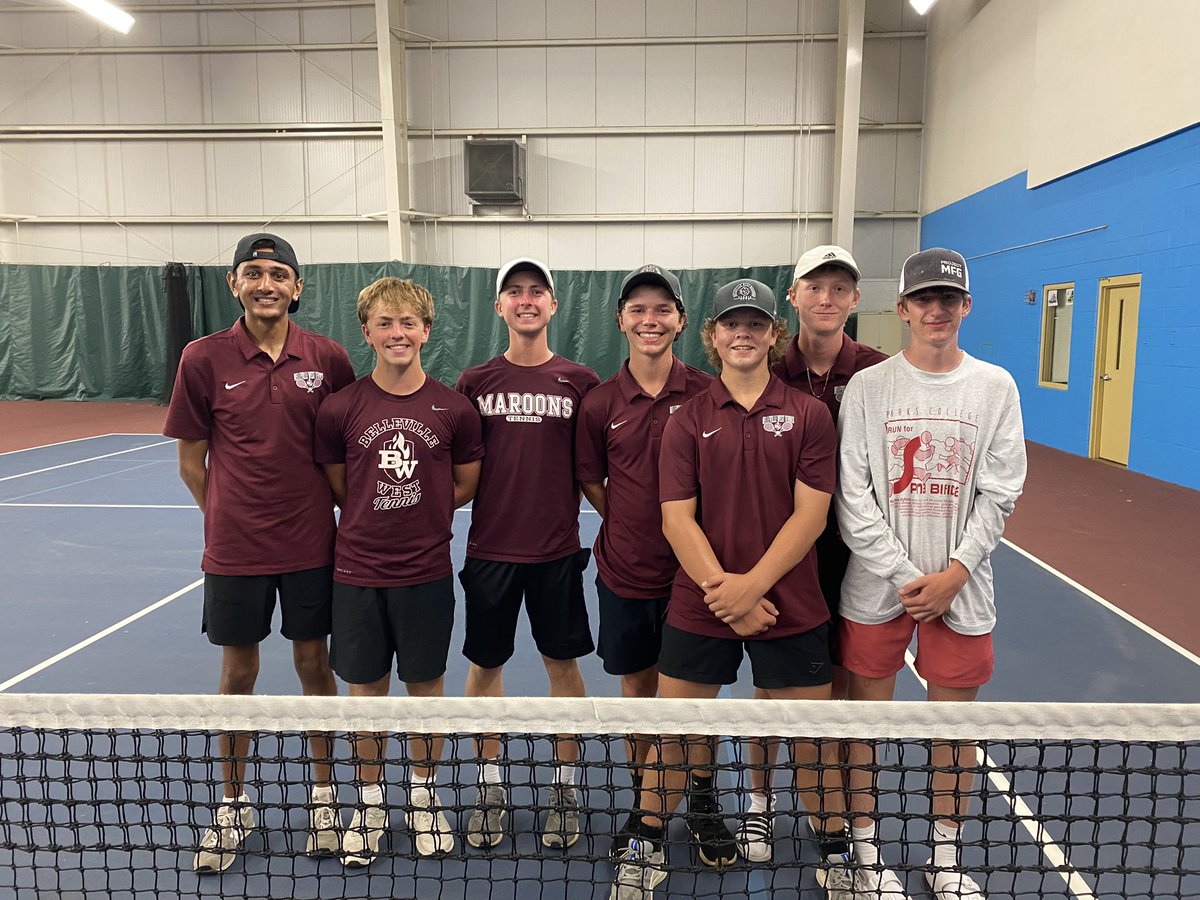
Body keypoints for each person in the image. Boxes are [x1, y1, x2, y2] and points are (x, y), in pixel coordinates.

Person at [610, 279, 854, 900]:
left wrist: (751, 588)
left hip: (790, 603)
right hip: (702, 602)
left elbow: (812, 516)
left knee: (811, 736)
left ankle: (835, 848)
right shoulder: (687, 420)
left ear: (774, 335)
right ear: (712, 336)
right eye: (730, 324)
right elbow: (676, 518)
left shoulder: (809, 415)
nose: (742, 333)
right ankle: (646, 840)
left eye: (755, 324)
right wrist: (726, 593)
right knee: (675, 731)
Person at [836, 248, 1027, 900]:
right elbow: (852, 497)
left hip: (964, 592)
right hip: (875, 590)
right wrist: (902, 574)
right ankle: (865, 851)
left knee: (954, 735)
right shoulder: (868, 387)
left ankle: (944, 858)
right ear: (904, 309)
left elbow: (1000, 493)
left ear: (965, 307)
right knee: (866, 730)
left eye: (949, 299)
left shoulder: (996, 387)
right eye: (925, 300)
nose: (937, 310)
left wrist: (954, 572)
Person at [163, 233, 355, 873]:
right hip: (235, 552)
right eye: (254, 272)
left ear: (297, 286)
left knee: (313, 666)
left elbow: (343, 450)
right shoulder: (202, 358)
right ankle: (234, 803)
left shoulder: (328, 358)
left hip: (311, 546)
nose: (266, 283)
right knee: (238, 672)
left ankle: (325, 799)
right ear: (233, 283)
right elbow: (193, 462)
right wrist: (225, 519)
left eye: (278, 273)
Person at [313, 277, 483, 866]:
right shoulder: (340, 408)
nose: (397, 333)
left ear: (426, 332)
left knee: (425, 691)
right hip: (356, 575)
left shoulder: (454, 408)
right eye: (385, 323)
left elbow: (464, 485)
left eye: (408, 322)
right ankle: (370, 801)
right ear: (366, 332)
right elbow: (341, 487)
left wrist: (423, 508)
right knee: (366, 693)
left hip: (427, 575)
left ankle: (424, 797)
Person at [737, 245, 888, 865]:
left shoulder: (880, 373)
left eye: (840, 289)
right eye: (814, 287)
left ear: (855, 300)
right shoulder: (767, 371)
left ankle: (847, 823)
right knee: (773, 691)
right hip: (783, 555)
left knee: (846, 694)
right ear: (793, 297)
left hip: (856, 563)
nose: (827, 299)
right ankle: (759, 805)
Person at [455, 258, 600, 850]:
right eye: (514, 292)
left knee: (563, 669)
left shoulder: (581, 383)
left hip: (557, 555)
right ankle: (490, 786)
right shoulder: (474, 382)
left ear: (552, 304)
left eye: (536, 291)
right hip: (490, 552)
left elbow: (595, 471)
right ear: (499, 307)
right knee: (485, 669)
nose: (525, 299)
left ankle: (565, 788)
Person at [574, 265, 714, 861]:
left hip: (698, 577)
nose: (650, 319)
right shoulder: (600, 402)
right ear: (621, 321)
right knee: (638, 689)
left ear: (681, 321)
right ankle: (644, 802)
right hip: (626, 574)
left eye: (662, 309)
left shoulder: (710, 392)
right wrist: (638, 526)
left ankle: (704, 800)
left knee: (695, 700)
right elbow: (593, 482)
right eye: (638, 309)